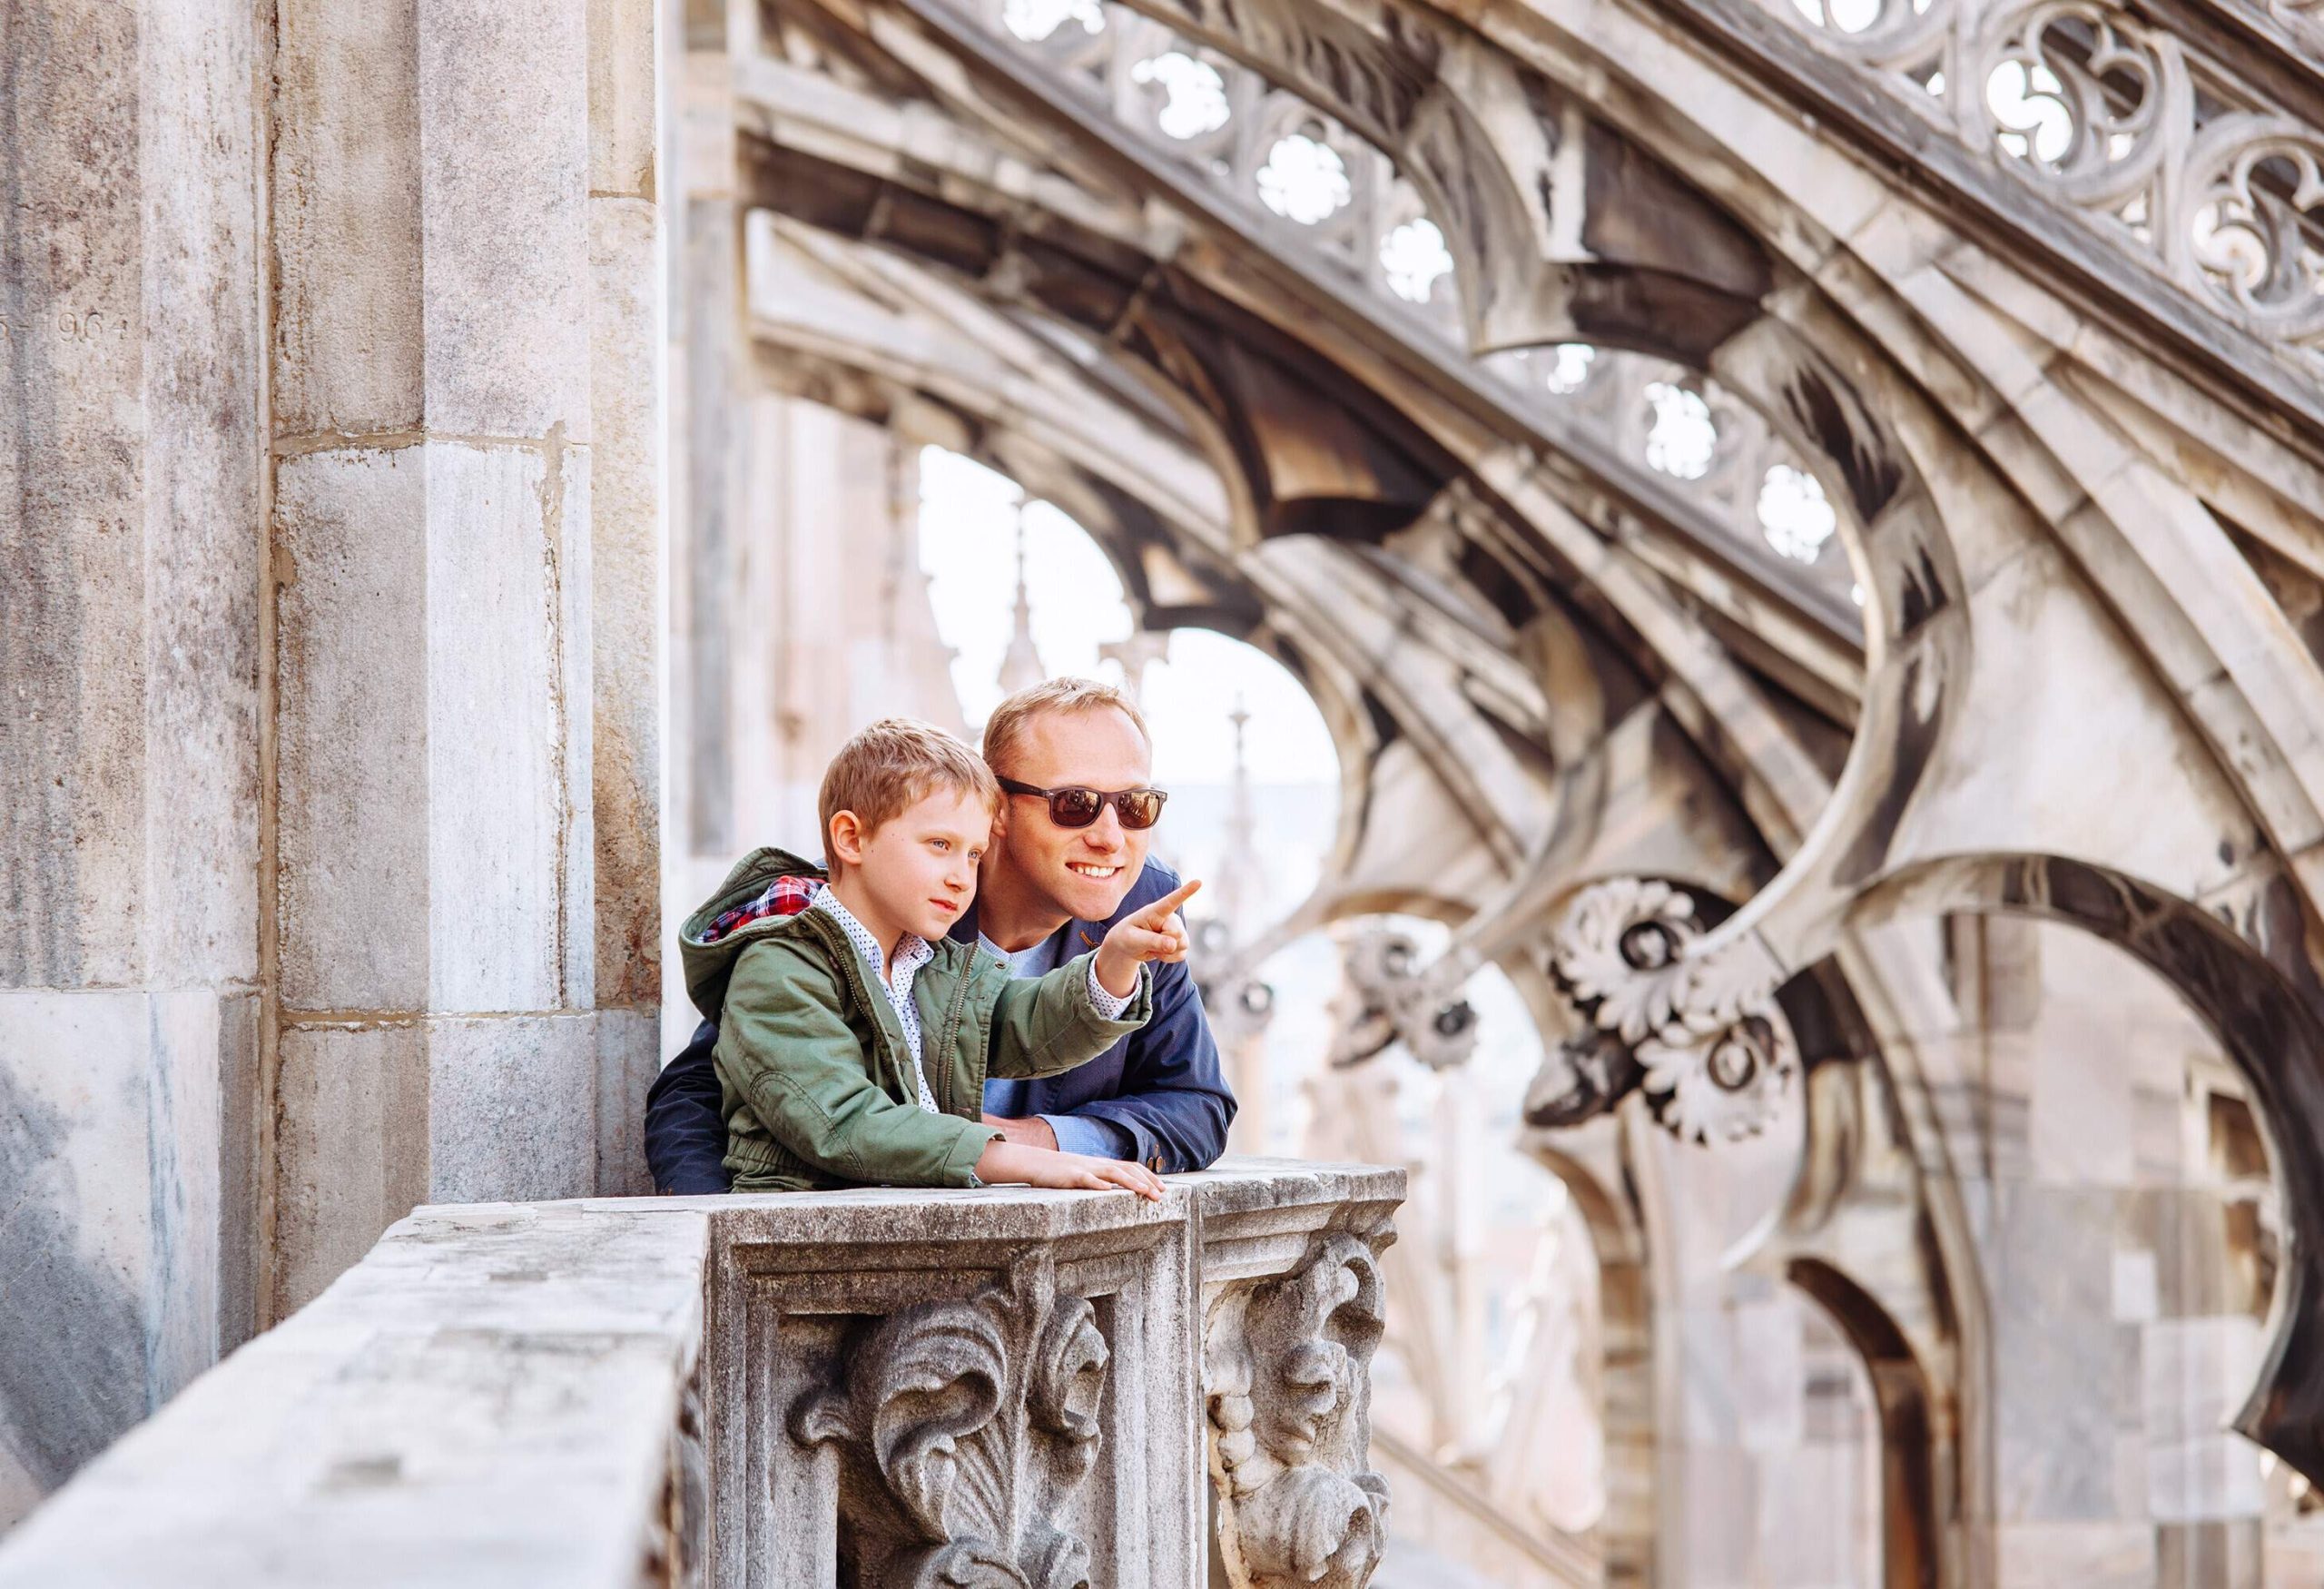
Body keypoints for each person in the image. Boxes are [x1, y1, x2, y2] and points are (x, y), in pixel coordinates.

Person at [647, 677, 1237, 1195]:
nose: (1112, 838)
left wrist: (1043, 1142)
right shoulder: (885, 899)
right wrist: (710, 1230)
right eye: (1075, 805)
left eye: (1135, 806)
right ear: (996, 808)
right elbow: (707, 1085)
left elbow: (1198, 1106)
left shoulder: (1143, 905)